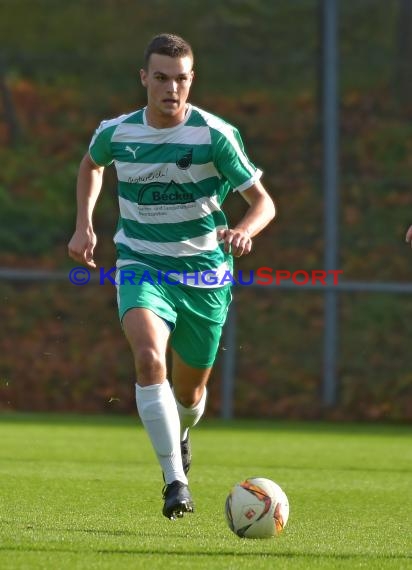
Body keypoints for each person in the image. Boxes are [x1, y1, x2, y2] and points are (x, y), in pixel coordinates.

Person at [68, 33, 276, 520]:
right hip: (142, 266)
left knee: (190, 394)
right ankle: (174, 482)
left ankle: (180, 432)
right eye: (161, 77)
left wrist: (244, 230)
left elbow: (263, 201)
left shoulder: (214, 135)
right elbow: (91, 164)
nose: (171, 88)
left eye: (181, 79)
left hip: (205, 277)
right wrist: (83, 225)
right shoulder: (118, 132)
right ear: (144, 79)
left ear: (191, 81)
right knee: (147, 358)